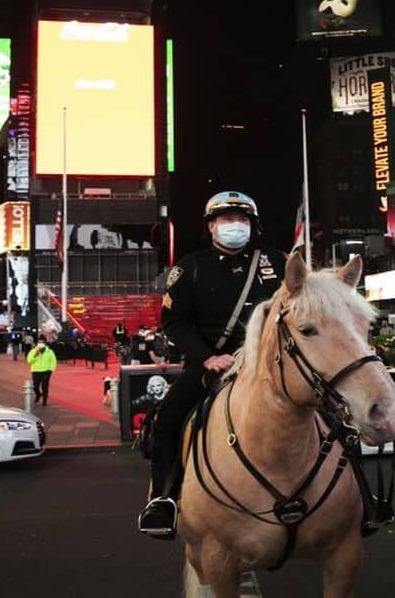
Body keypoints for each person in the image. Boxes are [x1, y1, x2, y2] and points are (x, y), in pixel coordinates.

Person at [138, 190, 287, 538]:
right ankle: (163, 498)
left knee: (331, 409)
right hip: (212, 364)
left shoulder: (277, 261)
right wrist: (206, 357)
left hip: (269, 362)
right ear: (211, 225)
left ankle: (360, 500)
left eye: (243, 219)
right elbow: (174, 323)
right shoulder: (189, 267)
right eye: (227, 219)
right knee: (167, 420)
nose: (236, 225)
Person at [26, 337, 57, 406]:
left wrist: (51, 370)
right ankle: (38, 394)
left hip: (46, 371)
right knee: (35, 386)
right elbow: (29, 361)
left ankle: (44, 401)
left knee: (45, 386)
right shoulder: (33, 351)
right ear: (37, 344)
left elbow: (53, 361)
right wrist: (36, 355)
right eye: (39, 342)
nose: (41, 344)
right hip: (35, 371)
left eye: (42, 342)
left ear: (45, 344)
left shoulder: (50, 351)